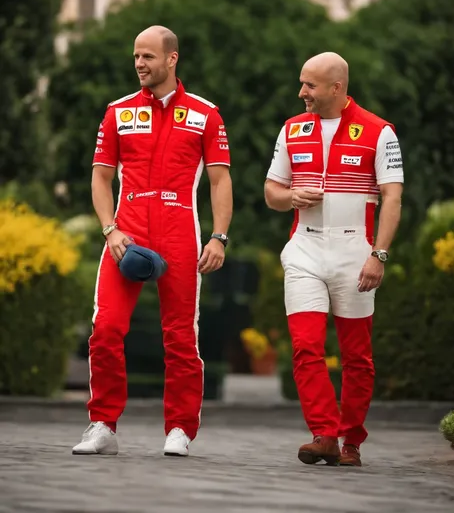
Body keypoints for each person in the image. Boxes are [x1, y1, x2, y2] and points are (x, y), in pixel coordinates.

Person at [72, 25, 233, 457]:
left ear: (171, 59)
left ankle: (180, 428)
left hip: (180, 229)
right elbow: (100, 177)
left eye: (147, 56)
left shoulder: (205, 114)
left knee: (180, 336)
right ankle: (103, 424)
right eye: (135, 57)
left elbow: (220, 180)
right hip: (126, 234)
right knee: (105, 328)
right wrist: (110, 228)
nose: (139, 64)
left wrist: (218, 237)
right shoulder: (118, 112)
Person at [264, 52, 403, 467]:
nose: (301, 92)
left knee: (356, 356)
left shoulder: (380, 131)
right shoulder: (292, 129)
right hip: (304, 248)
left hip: (355, 252)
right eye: (302, 83)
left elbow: (393, 197)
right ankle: (324, 433)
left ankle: (351, 442)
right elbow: (272, 192)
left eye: (310, 85)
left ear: (336, 88)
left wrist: (378, 254)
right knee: (306, 346)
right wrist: (291, 197)